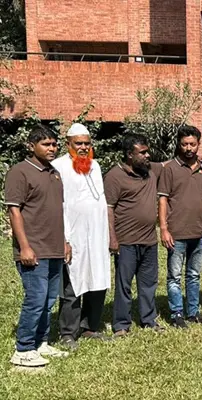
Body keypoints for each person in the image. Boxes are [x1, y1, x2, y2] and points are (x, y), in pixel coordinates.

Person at [5, 125, 71, 367]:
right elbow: (14, 212)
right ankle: (23, 349)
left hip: (54, 249)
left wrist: (64, 242)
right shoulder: (20, 172)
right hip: (33, 250)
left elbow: (56, 212)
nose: (52, 148)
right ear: (31, 146)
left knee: (49, 300)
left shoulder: (54, 173)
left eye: (54, 144)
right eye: (46, 144)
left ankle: (41, 342)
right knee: (35, 299)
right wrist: (24, 247)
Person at [52, 123, 111, 351]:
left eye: (87, 143)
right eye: (79, 143)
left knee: (97, 280)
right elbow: (59, 206)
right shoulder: (58, 167)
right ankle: (68, 332)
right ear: (68, 144)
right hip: (73, 236)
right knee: (72, 285)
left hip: (97, 235)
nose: (84, 147)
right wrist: (64, 239)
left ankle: (89, 327)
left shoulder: (95, 166)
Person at [106, 134, 166, 337]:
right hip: (126, 241)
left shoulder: (150, 170)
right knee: (124, 284)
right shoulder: (114, 176)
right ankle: (121, 325)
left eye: (147, 151)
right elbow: (108, 208)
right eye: (142, 152)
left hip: (149, 240)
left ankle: (148, 319)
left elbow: (168, 165)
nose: (147, 155)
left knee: (149, 283)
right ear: (129, 155)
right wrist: (112, 238)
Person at [158, 126, 202, 328]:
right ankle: (176, 314)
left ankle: (193, 312)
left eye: (192, 144)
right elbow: (162, 200)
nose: (189, 148)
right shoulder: (170, 169)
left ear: (199, 144)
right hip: (177, 233)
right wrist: (164, 228)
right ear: (179, 145)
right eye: (184, 144)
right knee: (175, 276)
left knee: (194, 274)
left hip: (200, 231)